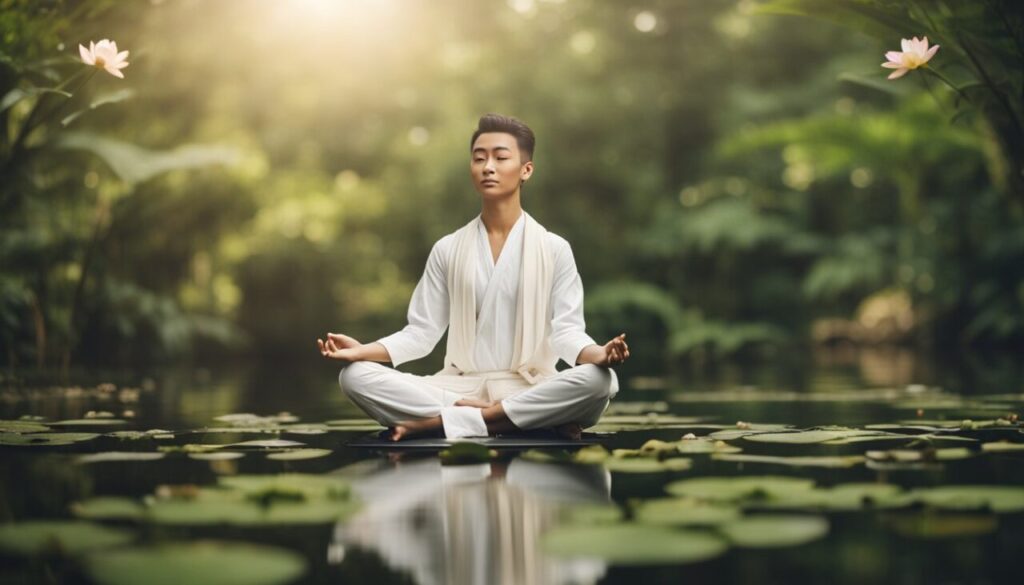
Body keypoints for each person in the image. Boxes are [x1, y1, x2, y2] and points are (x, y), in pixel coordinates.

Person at [317, 113, 630, 441]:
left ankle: (445, 423)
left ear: (526, 170)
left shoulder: (554, 249)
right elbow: (421, 334)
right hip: (458, 386)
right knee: (353, 377)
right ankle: (514, 417)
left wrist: (600, 353)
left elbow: (567, 332)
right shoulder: (448, 249)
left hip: (530, 384)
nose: (488, 167)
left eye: (501, 157)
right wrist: (362, 351)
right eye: (479, 158)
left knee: (602, 381)